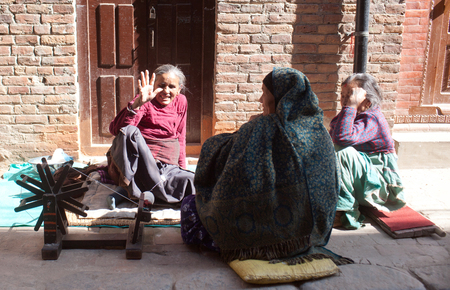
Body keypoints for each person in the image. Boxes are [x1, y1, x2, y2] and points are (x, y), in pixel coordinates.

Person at [180, 67, 351, 266]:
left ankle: (257, 246)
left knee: (190, 207)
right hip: (312, 235)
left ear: (280, 97)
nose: (261, 101)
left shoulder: (262, 127)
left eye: (264, 94)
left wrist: (246, 130)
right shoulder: (319, 130)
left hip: (259, 235)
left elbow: (224, 161)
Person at [106, 64, 195, 207]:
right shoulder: (145, 99)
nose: (166, 91)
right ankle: (130, 187)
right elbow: (117, 130)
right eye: (161, 85)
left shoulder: (181, 101)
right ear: (153, 86)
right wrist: (138, 104)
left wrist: (181, 167)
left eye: (171, 87)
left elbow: (180, 136)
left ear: (179, 90)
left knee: (192, 181)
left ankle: (133, 191)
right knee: (130, 132)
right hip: (140, 162)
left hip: (167, 164)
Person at [329, 73, 406, 229]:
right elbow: (334, 129)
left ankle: (344, 212)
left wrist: (351, 106)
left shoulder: (372, 118)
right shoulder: (354, 115)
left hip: (380, 190)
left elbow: (342, 138)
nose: (345, 101)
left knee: (340, 151)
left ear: (367, 100)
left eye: (349, 97)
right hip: (365, 183)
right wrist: (350, 107)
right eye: (343, 96)